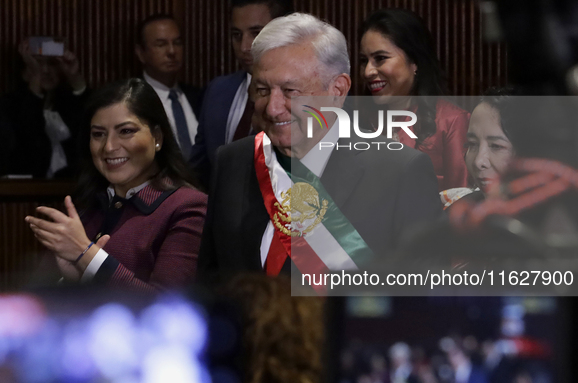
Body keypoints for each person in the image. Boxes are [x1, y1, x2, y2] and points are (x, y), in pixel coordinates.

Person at [198, 13, 441, 284]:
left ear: (337, 90)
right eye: (262, 90)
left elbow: (422, 301)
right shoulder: (233, 161)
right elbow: (210, 282)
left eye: (290, 91)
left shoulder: (400, 172)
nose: (273, 107)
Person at [25, 78, 207, 292]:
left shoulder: (187, 206)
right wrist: (69, 281)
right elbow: (34, 308)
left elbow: (166, 309)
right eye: (98, 134)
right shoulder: (88, 206)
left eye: (126, 131)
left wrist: (88, 257)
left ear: (157, 136)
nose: (109, 147)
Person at [359, 8, 470, 191]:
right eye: (364, 61)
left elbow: (461, 200)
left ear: (414, 62)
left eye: (380, 58)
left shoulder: (451, 121)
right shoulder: (359, 122)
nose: (367, 72)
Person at [189, 0, 293, 193]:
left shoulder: (301, 95)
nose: (245, 46)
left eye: (256, 34)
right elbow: (198, 171)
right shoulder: (218, 90)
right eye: (236, 35)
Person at [1, 39, 91, 178]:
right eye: (37, 63)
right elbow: (28, 137)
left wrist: (74, 76)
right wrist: (36, 80)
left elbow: (92, 121)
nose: (45, 70)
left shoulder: (69, 105)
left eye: (52, 64)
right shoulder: (8, 106)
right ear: (23, 71)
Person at [136, 14, 203, 160]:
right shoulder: (132, 101)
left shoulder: (200, 97)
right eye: (161, 44)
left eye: (177, 43)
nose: (172, 51)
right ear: (141, 53)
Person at [441, 90, 515, 209]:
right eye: (472, 144)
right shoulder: (459, 211)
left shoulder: (551, 219)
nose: (478, 161)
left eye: (496, 146)